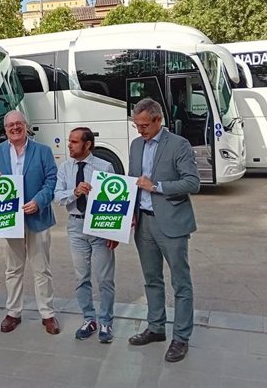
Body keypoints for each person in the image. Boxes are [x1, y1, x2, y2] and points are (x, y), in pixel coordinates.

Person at [127, 98, 200, 363]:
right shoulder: (136, 146)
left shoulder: (178, 145)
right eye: (137, 125)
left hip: (171, 222)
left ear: (159, 120)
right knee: (151, 278)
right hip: (143, 222)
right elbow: (132, 182)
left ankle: (181, 338)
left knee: (180, 282)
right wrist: (128, 215)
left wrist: (156, 186)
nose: (140, 131)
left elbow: (192, 182)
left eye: (144, 125)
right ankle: (156, 327)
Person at [0, 110, 59, 334]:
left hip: (37, 217)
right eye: (10, 126)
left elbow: (51, 180)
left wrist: (38, 201)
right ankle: (13, 312)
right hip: (8, 219)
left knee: (41, 269)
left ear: (26, 125)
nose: (14, 128)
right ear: (5, 129)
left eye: (18, 124)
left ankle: (47, 314)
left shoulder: (42, 151)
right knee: (12, 269)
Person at [54, 127, 117, 343]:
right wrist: (75, 192)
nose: (69, 145)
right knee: (82, 277)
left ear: (87, 144)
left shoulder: (104, 167)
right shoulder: (64, 167)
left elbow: (115, 200)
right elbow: (58, 197)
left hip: (99, 226)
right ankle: (89, 319)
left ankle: (106, 322)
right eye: (69, 141)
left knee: (105, 278)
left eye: (74, 142)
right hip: (75, 226)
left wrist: (114, 230)